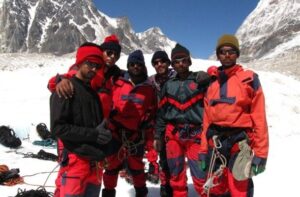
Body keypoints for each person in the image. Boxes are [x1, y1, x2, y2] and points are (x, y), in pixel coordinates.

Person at [199, 34, 269, 197]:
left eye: (231, 51)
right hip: (215, 143)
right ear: (218, 55)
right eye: (223, 51)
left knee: (239, 187)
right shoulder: (212, 83)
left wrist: (261, 153)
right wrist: (203, 150)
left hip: (239, 142)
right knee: (216, 187)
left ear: (237, 54)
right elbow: (207, 121)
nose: (227, 55)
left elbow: (259, 118)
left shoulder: (249, 80)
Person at [50, 43, 112, 197]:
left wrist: (104, 140)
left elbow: (97, 128)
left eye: (97, 65)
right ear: (79, 62)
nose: (93, 69)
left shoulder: (93, 94)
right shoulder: (66, 89)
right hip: (75, 161)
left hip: (95, 163)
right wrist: (94, 134)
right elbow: (58, 128)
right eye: (90, 64)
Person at [154, 44, 208, 197]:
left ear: (189, 62)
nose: (180, 64)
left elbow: (217, 89)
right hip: (174, 135)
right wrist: (158, 135)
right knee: (176, 175)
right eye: (176, 61)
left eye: (184, 60)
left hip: (196, 135)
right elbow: (162, 113)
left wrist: (211, 75)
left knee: (200, 176)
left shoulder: (200, 80)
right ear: (172, 64)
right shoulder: (168, 85)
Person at [101, 50, 157, 197]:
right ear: (128, 65)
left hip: (135, 133)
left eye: (138, 64)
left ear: (143, 66)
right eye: (132, 64)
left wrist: (147, 122)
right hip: (115, 131)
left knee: (136, 166)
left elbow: (152, 109)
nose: (135, 67)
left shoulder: (149, 88)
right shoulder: (117, 82)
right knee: (112, 166)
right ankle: (108, 193)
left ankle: (141, 193)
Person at [148, 50, 176, 196]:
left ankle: (177, 187)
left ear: (168, 63)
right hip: (159, 126)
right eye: (156, 63)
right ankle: (165, 187)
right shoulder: (151, 81)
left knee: (175, 161)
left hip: (176, 125)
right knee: (164, 159)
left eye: (162, 61)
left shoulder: (178, 76)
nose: (159, 64)